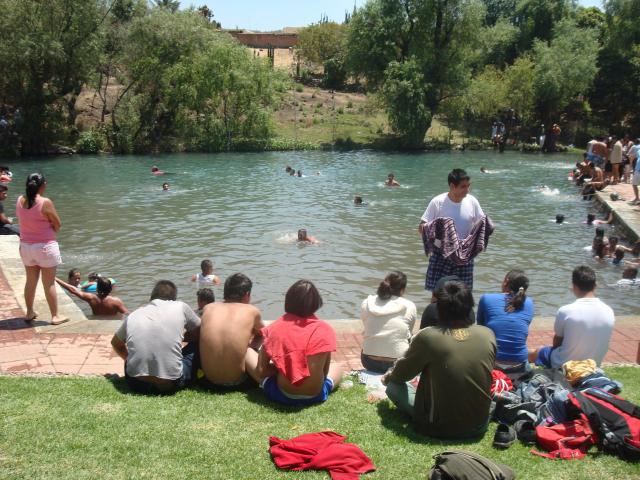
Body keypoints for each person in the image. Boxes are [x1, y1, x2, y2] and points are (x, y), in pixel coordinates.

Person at [381, 280, 496, 439]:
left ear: (439, 309)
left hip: (437, 427)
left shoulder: (429, 336)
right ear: (469, 307)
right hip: (478, 426)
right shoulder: (487, 334)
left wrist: (387, 377)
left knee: (393, 386)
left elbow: (400, 375)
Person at [246, 280, 343, 406]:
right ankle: (327, 387)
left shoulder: (275, 328)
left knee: (247, 351)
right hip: (315, 395)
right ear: (316, 303)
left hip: (280, 394)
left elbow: (261, 371)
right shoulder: (325, 330)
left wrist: (283, 368)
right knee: (338, 367)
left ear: (288, 301)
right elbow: (324, 374)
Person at [110, 280, 201, 394]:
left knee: (135, 353)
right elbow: (200, 332)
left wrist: (129, 359)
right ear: (173, 299)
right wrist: (182, 337)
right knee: (196, 346)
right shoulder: (181, 306)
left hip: (136, 383)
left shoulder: (134, 314)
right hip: (171, 384)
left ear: (151, 298)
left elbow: (115, 343)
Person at [529, 266, 615, 369]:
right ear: (595, 285)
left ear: (574, 286)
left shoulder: (566, 311)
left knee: (538, 351)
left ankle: (518, 365)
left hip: (565, 365)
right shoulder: (609, 311)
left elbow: (557, 343)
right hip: (593, 366)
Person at [419, 168, 489, 292]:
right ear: (452, 186)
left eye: (468, 186)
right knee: (437, 293)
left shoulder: (472, 202)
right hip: (440, 253)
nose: (467, 190)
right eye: (463, 187)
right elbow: (421, 228)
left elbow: (482, 225)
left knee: (463, 294)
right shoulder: (437, 202)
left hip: (464, 254)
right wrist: (440, 227)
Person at [15, 173, 66, 325]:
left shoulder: (19, 200)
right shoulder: (45, 202)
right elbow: (57, 224)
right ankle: (55, 316)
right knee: (48, 282)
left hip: (25, 247)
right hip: (45, 247)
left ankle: (29, 312)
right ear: (43, 185)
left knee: (30, 281)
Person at [199, 273, 263, 388]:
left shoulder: (208, 308)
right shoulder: (252, 310)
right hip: (239, 380)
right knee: (250, 348)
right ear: (247, 295)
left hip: (209, 379)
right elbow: (264, 333)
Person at [477, 270, 533, 375]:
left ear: (506, 281)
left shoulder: (486, 299)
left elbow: (481, 330)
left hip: (493, 364)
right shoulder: (529, 302)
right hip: (519, 365)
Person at [360, 272, 417, 373]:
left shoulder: (367, 302)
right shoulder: (410, 305)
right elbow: (409, 333)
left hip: (369, 361)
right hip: (397, 364)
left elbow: (366, 325)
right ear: (402, 290)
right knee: (409, 336)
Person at [56, 276, 128, 317]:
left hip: (96, 322)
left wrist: (54, 278)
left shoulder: (91, 298)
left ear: (97, 288)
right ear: (110, 288)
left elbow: (73, 290)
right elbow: (128, 315)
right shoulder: (116, 301)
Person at [629, 139, 640, 205]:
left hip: (638, 169)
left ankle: (637, 198)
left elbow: (631, 156)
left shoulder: (636, 147)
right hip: (638, 169)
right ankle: (637, 198)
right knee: (635, 184)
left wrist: (631, 164)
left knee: (634, 184)